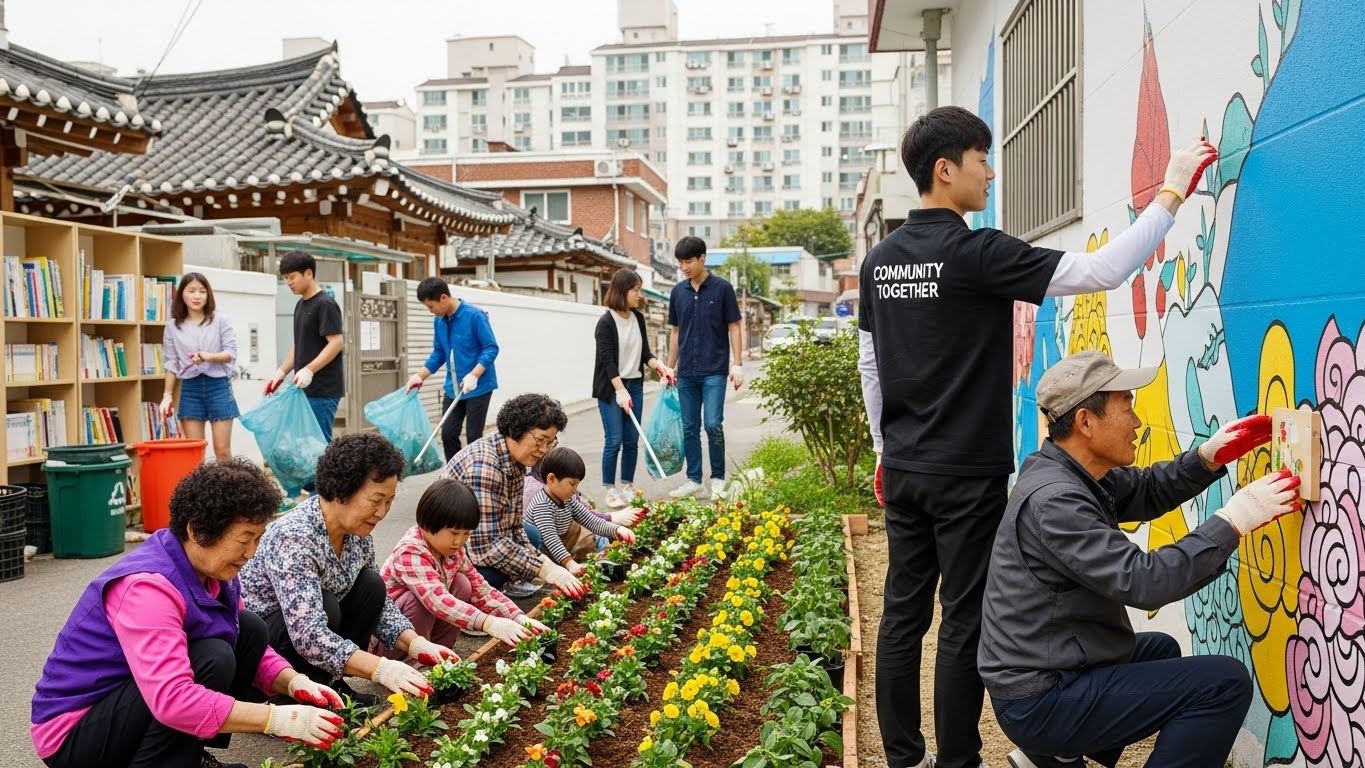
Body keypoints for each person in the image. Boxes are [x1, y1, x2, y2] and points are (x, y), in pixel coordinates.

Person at [856, 105, 1216, 768]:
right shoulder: (976, 252)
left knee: (902, 617)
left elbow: (870, 363)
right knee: (962, 620)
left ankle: (904, 759)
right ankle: (957, 761)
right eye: (980, 158)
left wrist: (884, 452)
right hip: (964, 473)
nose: (989, 171)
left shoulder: (879, 261)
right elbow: (1103, 271)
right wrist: (1170, 190)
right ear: (945, 169)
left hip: (904, 468)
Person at [979, 351, 1299, 768]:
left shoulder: (1071, 472)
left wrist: (1207, 458)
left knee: (1158, 649)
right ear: (1085, 422)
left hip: (1046, 670)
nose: (1137, 421)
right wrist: (1234, 520)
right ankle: (1052, 740)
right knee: (1224, 682)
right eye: (1126, 406)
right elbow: (1146, 583)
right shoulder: (1057, 501)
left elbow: (1147, 490)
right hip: (1041, 697)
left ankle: (1057, 753)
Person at [31, 459, 346, 768]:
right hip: (74, 732)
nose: (251, 552)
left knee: (248, 630)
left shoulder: (215, 571)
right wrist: (276, 719)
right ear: (197, 532)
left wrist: (294, 682)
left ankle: (186, 755)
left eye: (258, 539)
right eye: (244, 539)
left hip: (128, 701)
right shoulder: (147, 589)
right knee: (212, 656)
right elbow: (172, 698)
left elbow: (246, 641)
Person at [240, 433, 456, 705]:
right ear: (342, 491)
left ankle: (328, 682)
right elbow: (308, 635)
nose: (382, 511)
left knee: (371, 586)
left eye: (388, 501)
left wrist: (414, 643)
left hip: (308, 634)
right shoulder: (295, 538)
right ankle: (286, 697)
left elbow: (380, 606)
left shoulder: (358, 532)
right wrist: (380, 668)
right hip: (267, 649)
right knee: (327, 603)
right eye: (375, 500)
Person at [376, 478, 550, 654]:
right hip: (392, 640)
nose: (459, 541)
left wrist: (518, 617)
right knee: (417, 600)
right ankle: (413, 661)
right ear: (427, 523)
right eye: (453, 533)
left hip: (425, 633)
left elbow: (480, 589)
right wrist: (487, 622)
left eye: (466, 533)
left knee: (463, 583)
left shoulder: (453, 552)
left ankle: (442, 655)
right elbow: (437, 601)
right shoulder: (410, 552)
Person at [439, 392, 586, 599]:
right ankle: (475, 597)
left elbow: (514, 526)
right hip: (452, 547)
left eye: (550, 442)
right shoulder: (485, 466)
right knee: (491, 573)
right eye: (540, 440)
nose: (544, 450)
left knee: (531, 534)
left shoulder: (514, 460)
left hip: (479, 538)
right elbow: (486, 547)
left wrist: (544, 563)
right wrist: (544, 570)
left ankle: (509, 582)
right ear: (517, 429)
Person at [666, 236, 744, 501]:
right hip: (686, 372)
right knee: (689, 427)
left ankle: (718, 479)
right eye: (680, 262)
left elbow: (734, 326)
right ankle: (694, 480)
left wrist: (738, 364)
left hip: (714, 370)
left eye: (688, 261)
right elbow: (675, 331)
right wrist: (669, 366)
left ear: (702, 258)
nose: (684, 267)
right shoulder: (678, 292)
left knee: (712, 424)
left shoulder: (723, 289)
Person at [593, 267, 675, 507]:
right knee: (614, 439)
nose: (639, 295)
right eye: (635, 290)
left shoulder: (637, 318)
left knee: (631, 439)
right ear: (621, 290)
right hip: (611, 387)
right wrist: (620, 390)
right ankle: (610, 488)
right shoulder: (605, 323)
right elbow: (607, 362)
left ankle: (627, 485)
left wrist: (659, 365)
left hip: (635, 384)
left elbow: (645, 353)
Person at [405, 277, 500, 460]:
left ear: (443, 298)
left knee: (473, 437)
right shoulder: (440, 321)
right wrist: (420, 375)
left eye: (430, 306)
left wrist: (474, 374)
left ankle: (475, 475)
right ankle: (454, 478)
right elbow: (439, 352)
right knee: (448, 434)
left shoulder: (475, 316)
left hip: (478, 386)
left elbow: (491, 347)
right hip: (453, 386)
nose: (430, 311)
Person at [264, 250, 344, 443]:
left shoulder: (325, 304)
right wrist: (281, 373)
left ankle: (326, 475)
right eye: (285, 278)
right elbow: (299, 344)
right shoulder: (300, 305)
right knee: (304, 445)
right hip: (303, 388)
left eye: (292, 277)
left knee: (318, 444)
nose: (289, 283)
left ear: (308, 274)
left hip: (323, 389)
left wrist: (309, 370)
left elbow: (336, 342)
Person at [160, 273, 240, 462]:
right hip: (191, 389)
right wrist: (167, 395)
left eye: (202, 291)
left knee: (222, 450)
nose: (197, 296)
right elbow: (171, 363)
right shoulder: (172, 327)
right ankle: (198, 492)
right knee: (195, 454)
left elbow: (231, 353)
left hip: (218, 387)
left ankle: (230, 491)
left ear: (208, 295)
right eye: (192, 291)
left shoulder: (220, 320)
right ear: (182, 295)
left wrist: (208, 356)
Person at [525, 447, 637, 575]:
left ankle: (601, 559)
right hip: (541, 561)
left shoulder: (568, 499)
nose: (575, 490)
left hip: (561, 552)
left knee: (595, 536)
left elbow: (591, 521)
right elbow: (551, 539)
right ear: (551, 479)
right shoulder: (541, 506)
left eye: (577, 485)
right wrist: (569, 563)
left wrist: (617, 529)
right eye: (572, 484)